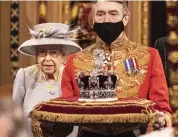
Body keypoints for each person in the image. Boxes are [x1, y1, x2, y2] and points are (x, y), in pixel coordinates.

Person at [61, 1, 172, 137]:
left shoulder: (149, 56)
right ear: (93, 19)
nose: (106, 19)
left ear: (125, 18)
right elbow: (64, 111)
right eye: (100, 14)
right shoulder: (74, 60)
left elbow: (162, 108)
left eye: (113, 14)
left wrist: (159, 121)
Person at [13, 23, 82, 136]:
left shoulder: (74, 77)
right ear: (36, 55)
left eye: (53, 53)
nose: (47, 58)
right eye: (42, 53)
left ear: (64, 56)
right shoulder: (25, 76)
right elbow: (14, 115)